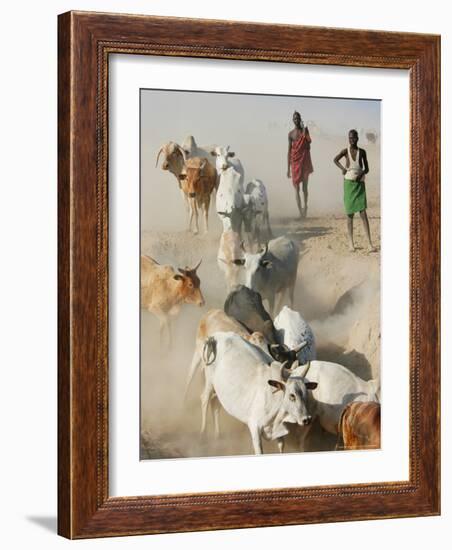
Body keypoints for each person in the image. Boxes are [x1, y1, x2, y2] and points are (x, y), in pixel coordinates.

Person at [333, 129, 376, 252]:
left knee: (363, 213)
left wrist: (361, 173)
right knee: (350, 214)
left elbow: (367, 168)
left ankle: (369, 243)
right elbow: (335, 160)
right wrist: (343, 169)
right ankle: (351, 243)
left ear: (357, 138)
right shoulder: (345, 151)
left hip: (360, 184)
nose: (351, 140)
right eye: (349, 138)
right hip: (348, 184)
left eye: (353, 138)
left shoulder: (362, 152)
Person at [287, 111, 314, 218]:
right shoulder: (290, 134)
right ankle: (300, 212)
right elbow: (289, 151)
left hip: (304, 162)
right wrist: (288, 168)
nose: (296, 120)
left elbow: (309, 141)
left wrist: (304, 130)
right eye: (295, 118)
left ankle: (305, 206)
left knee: (305, 188)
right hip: (295, 163)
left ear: (300, 119)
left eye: (298, 118)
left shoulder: (305, 130)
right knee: (296, 188)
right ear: (293, 120)